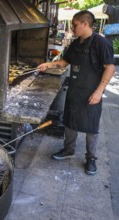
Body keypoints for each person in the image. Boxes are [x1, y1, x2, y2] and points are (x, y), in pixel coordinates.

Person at [38, 10, 115, 175]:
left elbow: (110, 67)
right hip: (75, 90)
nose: (72, 28)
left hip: (92, 92)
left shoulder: (101, 43)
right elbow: (65, 62)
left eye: (75, 25)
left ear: (85, 24)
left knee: (91, 127)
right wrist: (48, 65)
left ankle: (91, 158)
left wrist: (99, 91)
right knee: (70, 121)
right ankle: (68, 150)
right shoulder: (75, 43)